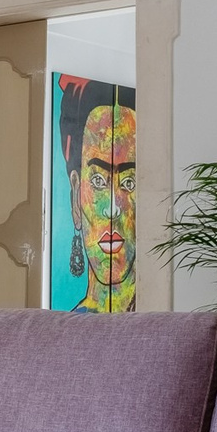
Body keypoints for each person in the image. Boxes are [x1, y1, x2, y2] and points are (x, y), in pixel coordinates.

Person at [57, 77, 139, 312]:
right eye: (98, 180)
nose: (112, 207)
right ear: (75, 196)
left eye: (129, 182)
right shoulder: (65, 332)